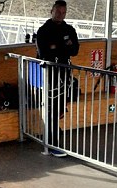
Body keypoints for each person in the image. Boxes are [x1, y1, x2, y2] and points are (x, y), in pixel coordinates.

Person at [36, 0, 79, 156]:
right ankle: (52, 143)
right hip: (50, 75)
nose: (61, 15)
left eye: (64, 12)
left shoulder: (69, 29)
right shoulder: (43, 31)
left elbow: (74, 50)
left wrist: (56, 47)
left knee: (61, 107)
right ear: (52, 11)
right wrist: (63, 46)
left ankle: (54, 133)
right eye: (58, 12)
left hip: (64, 73)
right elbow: (44, 53)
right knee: (51, 107)